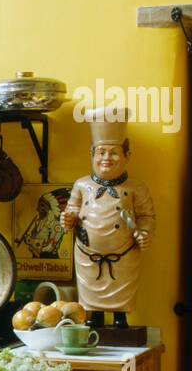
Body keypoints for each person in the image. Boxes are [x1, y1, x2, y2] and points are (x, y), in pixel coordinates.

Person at [59, 109, 155, 327]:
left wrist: (146, 232)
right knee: (91, 293)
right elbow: (72, 209)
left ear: (127, 156)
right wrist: (68, 219)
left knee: (121, 291)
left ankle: (120, 318)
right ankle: (95, 317)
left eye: (113, 153)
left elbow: (147, 215)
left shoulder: (136, 188)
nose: (106, 158)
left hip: (124, 257)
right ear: (92, 155)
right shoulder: (82, 185)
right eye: (100, 152)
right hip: (87, 256)